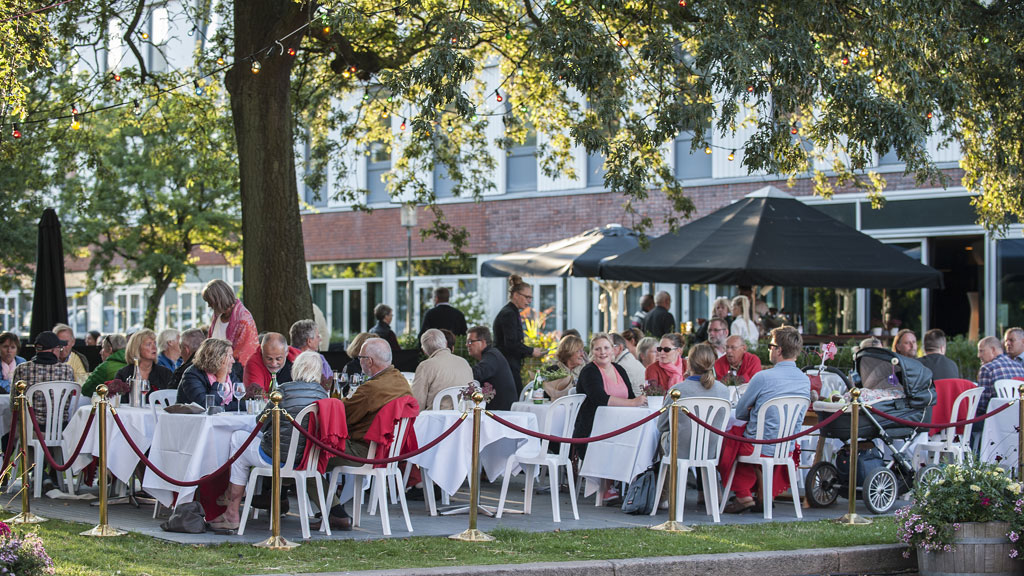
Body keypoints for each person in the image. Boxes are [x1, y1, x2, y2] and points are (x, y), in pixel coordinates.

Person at [207, 351, 329, 531]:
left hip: (277, 456)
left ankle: (232, 509)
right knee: (245, 441)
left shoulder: (284, 390)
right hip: (307, 458)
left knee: (237, 439)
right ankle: (232, 498)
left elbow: (261, 424)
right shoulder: (323, 395)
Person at [721, 326, 809, 513]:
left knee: (728, 439)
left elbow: (740, 413)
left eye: (771, 346)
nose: (769, 349)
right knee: (745, 436)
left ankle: (743, 495)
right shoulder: (804, 380)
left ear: (778, 350)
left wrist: (755, 411)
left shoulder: (763, 377)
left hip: (758, 445)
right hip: (788, 445)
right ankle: (761, 494)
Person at [573, 333, 646, 502]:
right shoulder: (589, 371)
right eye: (598, 349)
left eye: (606, 348)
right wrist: (634, 403)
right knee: (616, 439)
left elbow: (631, 394)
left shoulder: (619, 369)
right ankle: (608, 487)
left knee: (641, 438)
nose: (603, 352)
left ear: (614, 350)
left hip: (621, 425)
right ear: (592, 352)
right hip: (592, 432)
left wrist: (638, 401)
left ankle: (637, 486)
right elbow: (600, 399)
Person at [657, 342, 729, 459]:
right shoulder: (723, 390)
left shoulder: (677, 390)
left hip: (679, 451)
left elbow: (661, 426)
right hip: (710, 450)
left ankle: (665, 476)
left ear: (689, 363)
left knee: (659, 438)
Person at [12, 331, 78, 429]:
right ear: (53, 350)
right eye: (59, 348)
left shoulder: (21, 369)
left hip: (30, 430)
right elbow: (69, 400)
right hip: (60, 429)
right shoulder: (67, 370)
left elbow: (14, 402)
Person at [493, 275, 545, 396]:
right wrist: (531, 351)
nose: (529, 301)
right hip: (507, 366)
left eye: (531, 298)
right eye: (527, 297)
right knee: (514, 400)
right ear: (516, 295)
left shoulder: (512, 312)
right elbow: (511, 344)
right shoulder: (509, 314)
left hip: (508, 365)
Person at [202, 278, 259, 366]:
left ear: (218, 300)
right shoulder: (217, 315)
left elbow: (245, 353)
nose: (209, 306)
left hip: (234, 371)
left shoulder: (244, 319)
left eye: (210, 302)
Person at [413, 328, 473, 410]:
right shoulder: (464, 362)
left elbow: (417, 403)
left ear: (424, 350)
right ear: (445, 343)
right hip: (463, 418)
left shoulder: (425, 366)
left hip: (435, 420)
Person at [176, 338, 242, 409]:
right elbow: (207, 406)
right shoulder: (192, 375)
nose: (233, 361)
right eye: (230, 356)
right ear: (217, 358)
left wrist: (223, 407)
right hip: (192, 419)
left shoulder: (229, 374)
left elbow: (241, 403)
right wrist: (220, 380)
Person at [466, 326, 518, 411]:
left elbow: (476, 374)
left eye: (470, 341)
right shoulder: (492, 354)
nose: (467, 345)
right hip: (497, 410)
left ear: (483, 342)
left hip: (500, 414)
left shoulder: (492, 356)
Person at [113, 329, 174, 399]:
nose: (154, 347)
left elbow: (171, 400)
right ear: (137, 348)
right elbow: (118, 401)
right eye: (149, 344)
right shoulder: (123, 374)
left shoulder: (165, 373)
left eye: (155, 343)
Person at [976, 336, 1024, 415]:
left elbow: (982, 406)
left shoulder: (987, 369)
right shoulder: (1019, 367)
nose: (978, 355)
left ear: (993, 350)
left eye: (981, 351)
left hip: (997, 420)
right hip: (1019, 419)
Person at [537, 334, 586, 400]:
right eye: (578, 351)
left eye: (582, 350)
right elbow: (544, 396)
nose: (582, 354)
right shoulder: (552, 371)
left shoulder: (586, 371)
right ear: (569, 352)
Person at [289, 320, 331, 389]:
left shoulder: (282, 358)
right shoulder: (318, 359)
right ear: (309, 341)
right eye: (318, 336)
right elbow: (330, 383)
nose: (320, 340)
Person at [612, 332, 646, 396]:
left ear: (620, 348)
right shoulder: (628, 358)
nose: (604, 351)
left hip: (635, 403)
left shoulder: (622, 365)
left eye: (608, 346)